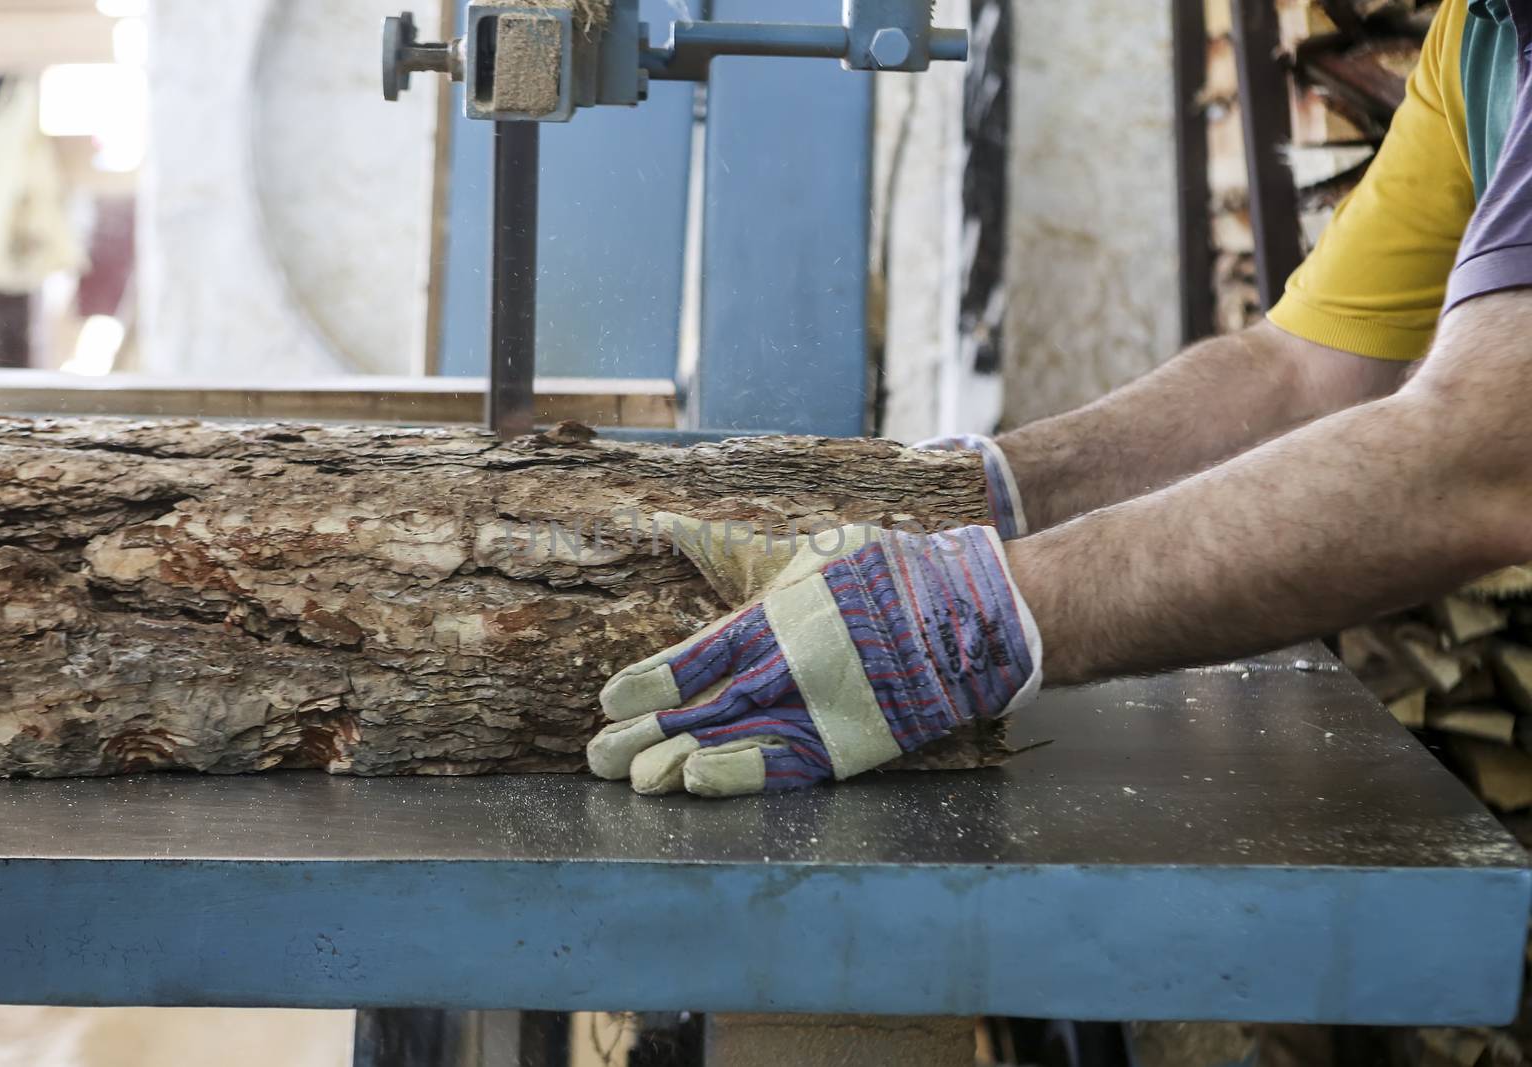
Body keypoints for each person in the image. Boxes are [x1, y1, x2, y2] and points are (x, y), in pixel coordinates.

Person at [589, 0, 1532, 797]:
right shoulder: (1475, 37)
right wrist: (987, 490)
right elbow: (1300, 369)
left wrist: (976, 616)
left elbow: (1485, 449)